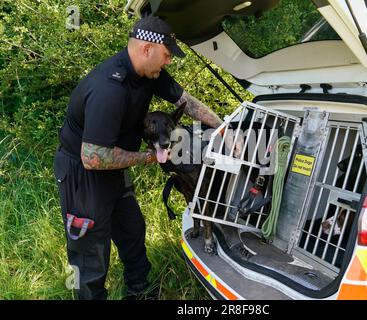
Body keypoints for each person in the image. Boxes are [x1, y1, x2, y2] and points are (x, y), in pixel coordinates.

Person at [53, 15, 239, 300]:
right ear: (146, 49)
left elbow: (186, 102)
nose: (168, 62)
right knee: (91, 253)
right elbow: (93, 157)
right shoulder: (109, 88)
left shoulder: (148, 75)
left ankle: (139, 293)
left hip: (115, 167)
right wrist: (149, 158)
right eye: (166, 55)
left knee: (131, 229)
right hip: (84, 174)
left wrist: (223, 129)